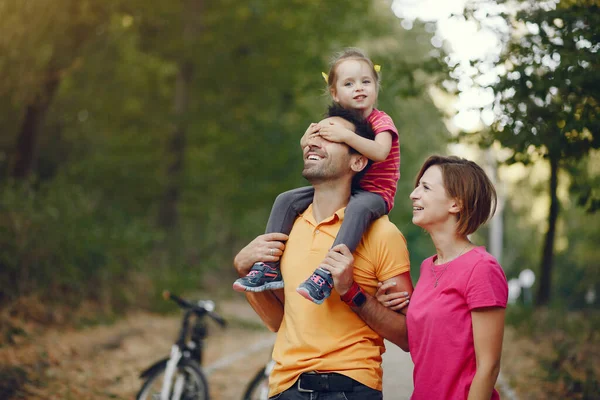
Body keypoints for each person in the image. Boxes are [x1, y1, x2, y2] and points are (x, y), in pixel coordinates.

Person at [233, 105, 412, 399]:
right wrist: (243, 269)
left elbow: (408, 337)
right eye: (315, 133)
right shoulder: (286, 229)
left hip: (350, 388)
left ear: (357, 161)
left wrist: (351, 291)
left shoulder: (382, 234)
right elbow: (278, 322)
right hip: (285, 388)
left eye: (330, 137)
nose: (315, 141)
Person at [233, 47, 400, 305]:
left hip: (375, 193)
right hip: (349, 188)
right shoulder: (335, 121)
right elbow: (316, 145)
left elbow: (379, 152)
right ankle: (268, 266)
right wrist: (307, 140)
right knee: (286, 200)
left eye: (366, 81)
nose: (359, 88)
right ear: (335, 93)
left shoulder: (381, 121)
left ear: (376, 87)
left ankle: (325, 273)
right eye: (349, 83)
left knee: (356, 210)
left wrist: (345, 136)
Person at [376, 155, 508, 400]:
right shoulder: (428, 267)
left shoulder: (482, 268)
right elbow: (421, 342)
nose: (413, 194)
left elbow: (488, 367)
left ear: (455, 204)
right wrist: (390, 307)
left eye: (425, 188)